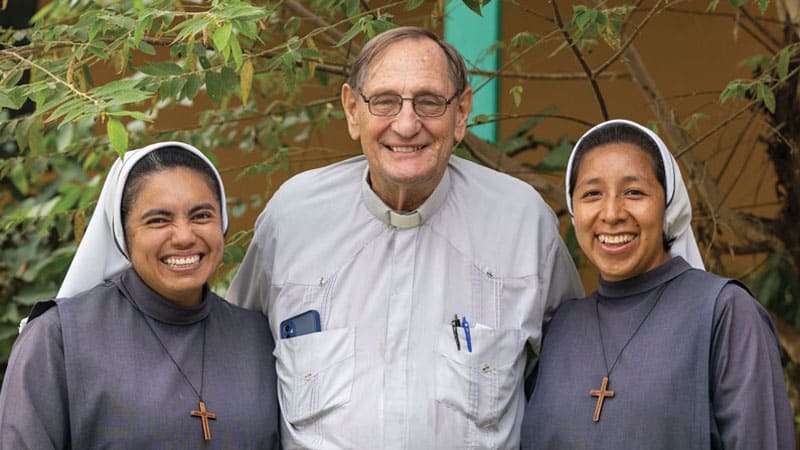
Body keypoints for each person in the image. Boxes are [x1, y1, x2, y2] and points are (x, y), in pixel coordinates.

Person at [227, 26, 584, 449]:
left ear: (462, 112)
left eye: (430, 102)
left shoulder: (523, 223)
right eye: (385, 101)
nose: (407, 123)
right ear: (352, 110)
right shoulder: (292, 218)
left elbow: (572, 385)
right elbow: (234, 365)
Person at [521, 119, 795, 449]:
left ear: (667, 204)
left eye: (634, 192)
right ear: (574, 209)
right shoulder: (560, 327)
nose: (611, 213)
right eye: (592, 194)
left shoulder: (724, 313)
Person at [0, 142, 281, 449]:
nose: (185, 236)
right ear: (124, 233)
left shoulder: (257, 336)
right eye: (158, 220)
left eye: (201, 216)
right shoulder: (58, 338)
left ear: (222, 223)